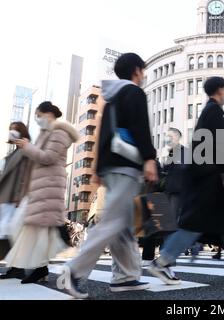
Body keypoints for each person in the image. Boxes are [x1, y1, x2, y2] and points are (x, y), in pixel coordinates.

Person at [62, 53, 159, 299]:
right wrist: (149, 157)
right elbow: (140, 127)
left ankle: (125, 278)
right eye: (143, 70)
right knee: (114, 222)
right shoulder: (134, 93)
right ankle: (74, 271)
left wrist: (96, 169)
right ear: (137, 70)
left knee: (124, 224)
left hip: (111, 164)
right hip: (127, 164)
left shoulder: (112, 97)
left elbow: (100, 135)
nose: (144, 75)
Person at [148, 77, 224, 285]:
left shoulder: (210, 112)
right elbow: (218, 146)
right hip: (209, 179)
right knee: (196, 223)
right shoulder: (214, 112)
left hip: (208, 177)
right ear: (219, 90)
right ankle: (162, 262)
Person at [3, 102, 79, 284]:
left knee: (33, 229)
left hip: (49, 187)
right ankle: (39, 268)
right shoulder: (46, 133)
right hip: (41, 188)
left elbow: (48, 157)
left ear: (48, 114)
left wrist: (27, 147)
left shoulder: (60, 132)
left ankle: (41, 266)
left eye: (39, 115)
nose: (37, 119)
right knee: (33, 230)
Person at [141, 128, 187, 266]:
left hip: (177, 192)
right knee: (166, 225)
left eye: (171, 136)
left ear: (178, 138)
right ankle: (165, 256)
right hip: (168, 192)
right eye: (167, 136)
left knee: (170, 225)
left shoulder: (183, 152)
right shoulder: (171, 154)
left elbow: (182, 171)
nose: (168, 139)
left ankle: (167, 258)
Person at [0, 122, 32, 280]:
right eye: (10, 129)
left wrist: (21, 197)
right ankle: (15, 267)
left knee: (11, 233)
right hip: (6, 198)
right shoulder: (14, 153)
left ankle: (18, 267)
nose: (12, 132)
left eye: (15, 129)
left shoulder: (25, 150)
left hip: (14, 198)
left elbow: (25, 176)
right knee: (7, 233)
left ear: (22, 132)